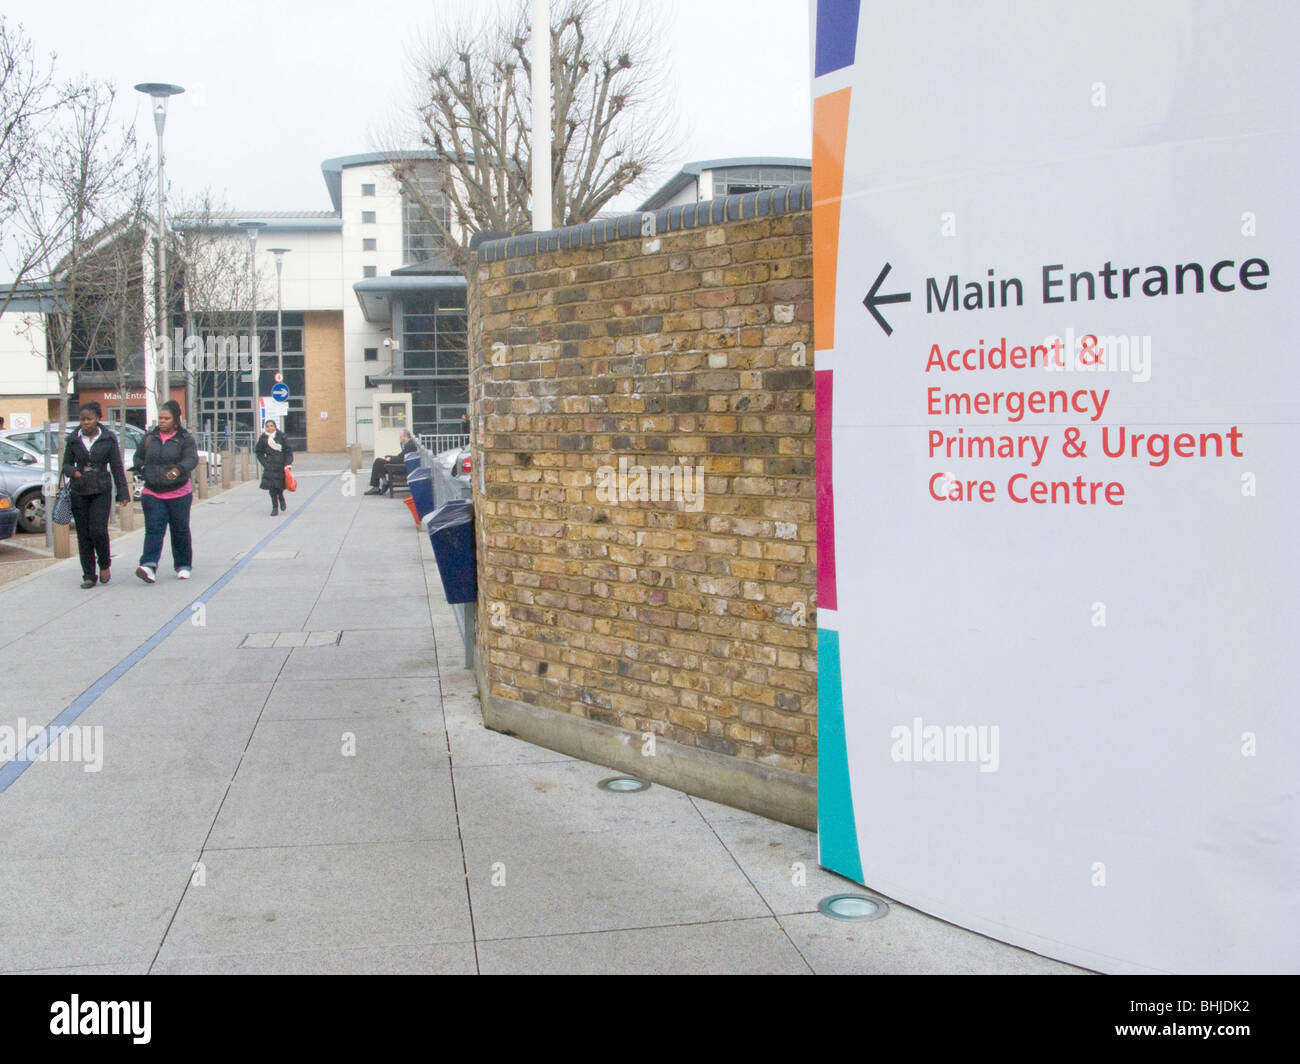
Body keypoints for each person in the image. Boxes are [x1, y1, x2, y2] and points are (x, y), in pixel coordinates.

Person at [61, 401, 130, 589]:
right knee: (83, 534)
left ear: (98, 419)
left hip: (101, 489)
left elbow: (116, 467)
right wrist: (72, 472)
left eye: (89, 419)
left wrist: (123, 492)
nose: (85, 423)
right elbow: (65, 464)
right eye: (82, 419)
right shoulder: (73, 439)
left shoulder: (108, 439)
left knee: (98, 531)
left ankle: (105, 564)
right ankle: (89, 575)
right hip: (79, 489)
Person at [132, 400, 199, 584]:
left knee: (180, 530)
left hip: (179, 493)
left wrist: (178, 469)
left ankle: (183, 565)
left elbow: (191, 459)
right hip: (153, 492)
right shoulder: (149, 438)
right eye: (160, 418)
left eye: (166, 418)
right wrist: (142, 468)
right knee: (154, 529)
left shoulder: (185, 439)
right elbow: (137, 456)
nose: (161, 421)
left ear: (175, 420)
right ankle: (148, 565)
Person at [255, 419, 294, 516]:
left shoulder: (281, 436)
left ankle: (281, 497)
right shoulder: (263, 438)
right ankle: (275, 507)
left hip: (281, 465)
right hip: (270, 466)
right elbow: (259, 452)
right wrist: (265, 463)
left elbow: (288, 451)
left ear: (275, 427)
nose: (269, 428)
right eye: (267, 426)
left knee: (279, 486)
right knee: (272, 488)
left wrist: (288, 464)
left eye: (271, 426)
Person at [365, 429, 416, 495]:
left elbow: (402, 459)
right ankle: (383, 482)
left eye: (400, 437)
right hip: (402, 465)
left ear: (405, 437)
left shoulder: (409, 445)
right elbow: (402, 457)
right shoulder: (409, 444)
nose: (400, 438)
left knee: (378, 462)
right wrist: (390, 457)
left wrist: (391, 459)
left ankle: (377, 486)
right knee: (380, 462)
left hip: (402, 468)